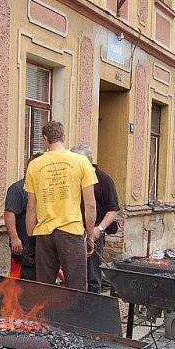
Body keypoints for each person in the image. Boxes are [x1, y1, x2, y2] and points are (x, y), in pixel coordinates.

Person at [24, 121, 97, 291]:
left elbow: (31, 207)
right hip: (71, 231)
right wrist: (91, 236)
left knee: (44, 290)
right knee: (76, 288)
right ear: (63, 137)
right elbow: (90, 205)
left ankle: (47, 317)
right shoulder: (81, 162)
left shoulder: (34, 165)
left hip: (44, 233)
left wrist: (31, 237)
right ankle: (73, 317)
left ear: (45, 139)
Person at [70, 144, 120, 294]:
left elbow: (113, 209)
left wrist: (99, 229)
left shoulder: (104, 180)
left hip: (94, 231)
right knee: (74, 273)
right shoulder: (73, 177)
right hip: (72, 230)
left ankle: (92, 306)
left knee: (92, 274)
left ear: (87, 161)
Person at [4, 170, 37, 281]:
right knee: (20, 280)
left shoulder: (41, 188)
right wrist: (14, 238)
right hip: (23, 245)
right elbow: (9, 213)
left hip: (37, 244)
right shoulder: (17, 189)